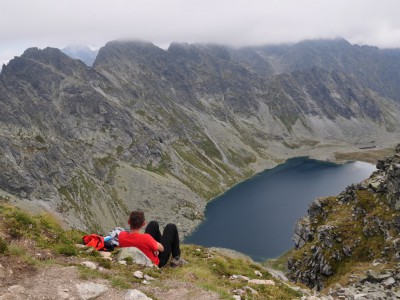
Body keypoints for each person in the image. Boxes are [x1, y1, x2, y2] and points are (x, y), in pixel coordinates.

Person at [118, 210, 187, 268]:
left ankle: (154, 247)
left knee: (153, 224)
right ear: (143, 223)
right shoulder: (146, 238)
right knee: (171, 227)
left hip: (136, 257)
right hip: (155, 263)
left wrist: (153, 246)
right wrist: (155, 247)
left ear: (129, 222)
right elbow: (162, 248)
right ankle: (176, 259)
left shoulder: (121, 235)